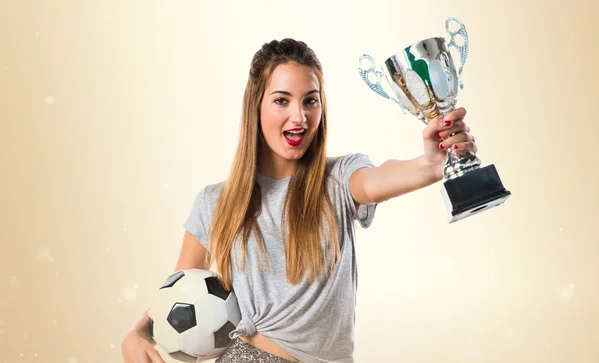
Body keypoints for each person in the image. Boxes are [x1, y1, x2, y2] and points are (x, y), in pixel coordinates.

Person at [121, 38, 477, 363]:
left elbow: (378, 179)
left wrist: (431, 165)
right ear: (255, 107)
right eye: (281, 100)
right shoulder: (215, 201)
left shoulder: (339, 178)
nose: (300, 116)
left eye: (311, 100)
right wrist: (138, 333)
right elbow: (178, 294)